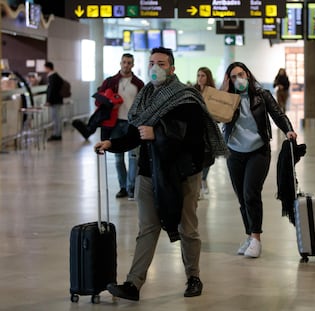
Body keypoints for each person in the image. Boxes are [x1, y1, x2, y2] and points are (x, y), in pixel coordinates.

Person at [94, 47, 227, 301]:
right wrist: (112, 143)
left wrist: (160, 135)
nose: (156, 67)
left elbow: (194, 138)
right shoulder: (145, 96)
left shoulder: (186, 98)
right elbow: (136, 132)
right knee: (147, 227)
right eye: (152, 62)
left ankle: (193, 277)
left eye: (162, 63)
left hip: (183, 173)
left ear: (172, 68)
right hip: (149, 170)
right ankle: (133, 284)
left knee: (188, 228)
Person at [221, 62, 297, 258]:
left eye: (241, 74)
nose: (238, 79)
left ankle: (256, 238)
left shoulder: (261, 95)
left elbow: (278, 114)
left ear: (247, 74)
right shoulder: (228, 98)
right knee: (241, 198)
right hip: (234, 152)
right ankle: (249, 235)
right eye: (233, 76)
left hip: (258, 151)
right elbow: (215, 116)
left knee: (250, 193)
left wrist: (288, 129)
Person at [75, 53, 144, 199]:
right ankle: (123, 187)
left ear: (133, 65)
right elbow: (98, 100)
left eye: (129, 63)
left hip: (133, 123)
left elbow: (144, 104)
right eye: (124, 62)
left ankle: (132, 188)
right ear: (120, 63)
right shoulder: (110, 82)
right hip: (115, 123)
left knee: (133, 157)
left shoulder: (138, 84)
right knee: (118, 158)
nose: (126, 65)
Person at [194, 66, 216, 198]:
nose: (200, 78)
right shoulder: (193, 91)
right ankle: (198, 182)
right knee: (197, 156)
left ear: (208, 77)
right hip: (195, 129)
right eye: (198, 75)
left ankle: (203, 179)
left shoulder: (213, 93)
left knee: (208, 157)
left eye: (202, 75)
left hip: (208, 129)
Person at [44, 61, 64, 141]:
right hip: (58, 100)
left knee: (55, 118)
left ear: (48, 68)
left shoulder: (52, 77)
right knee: (57, 117)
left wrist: (49, 100)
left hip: (54, 101)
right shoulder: (56, 76)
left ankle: (56, 134)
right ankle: (57, 133)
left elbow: (51, 90)